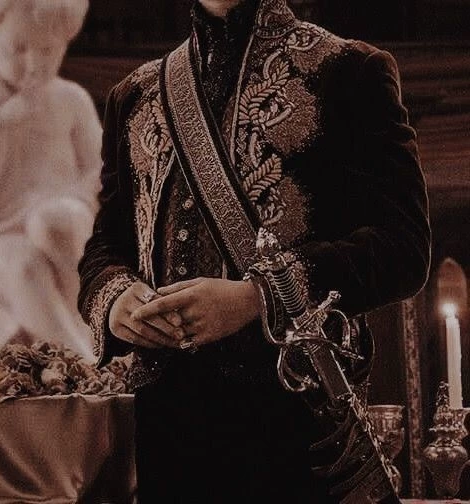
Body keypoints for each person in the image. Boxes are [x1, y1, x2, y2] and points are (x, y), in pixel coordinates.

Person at [78, 0, 431, 501]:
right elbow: (105, 247)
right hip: (168, 431)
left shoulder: (350, 71)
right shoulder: (134, 95)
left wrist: (257, 298)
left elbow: (404, 248)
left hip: (295, 424)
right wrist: (115, 299)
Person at [0, 0, 101, 358]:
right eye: (19, 48)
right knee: (25, 267)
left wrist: (82, 194)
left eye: (47, 50)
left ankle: (88, 320)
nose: (35, 63)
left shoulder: (70, 99)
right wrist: (4, 121)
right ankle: (82, 356)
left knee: (54, 222)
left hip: (64, 209)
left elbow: (100, 168)